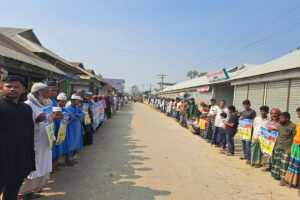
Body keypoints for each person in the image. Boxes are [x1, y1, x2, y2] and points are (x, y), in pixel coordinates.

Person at [0, 76, 35, 200]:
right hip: (2, 160)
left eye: (16, 87)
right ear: (1, 88)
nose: (12, 89)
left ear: (23, 90)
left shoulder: (26, 108)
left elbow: (29, 133)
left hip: (19, 160)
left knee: (12, 193)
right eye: (8, 86)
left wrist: (29, 157)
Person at [19, 83, 54, 198]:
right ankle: (22, 195)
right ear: (36, 93)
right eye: (46, 92)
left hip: (45, 143)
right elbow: (22, 126)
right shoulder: (27, 105)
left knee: (41, 168)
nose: (48, 94)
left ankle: (32, 191)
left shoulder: (44, 104)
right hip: (35, 144)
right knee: (32, 169)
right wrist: (37, 121)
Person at [271, 112, 296, 186]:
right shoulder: (280, 126)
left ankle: (284, 179)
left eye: (281, 118)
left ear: (287, 119)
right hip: (279, 146)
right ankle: (276, 175)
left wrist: (291, 149)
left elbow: (294, 138)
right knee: (277, 161)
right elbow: (278, 136)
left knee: (284, 164)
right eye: (280, 118)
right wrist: (275, 145)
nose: (280, 119)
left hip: (287, 148)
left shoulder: (293, 126)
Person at [65, 94, 85, 164]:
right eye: (77, 101)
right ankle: (68, 159)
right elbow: (71, 118)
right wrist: (77, 116)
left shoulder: (77, 108)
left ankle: (72, 158)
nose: (79, 102)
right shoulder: (68, 108)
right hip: (71, 128)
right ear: (72, 101)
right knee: (70, 143)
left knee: (76, 143)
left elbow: (83, 115)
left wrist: (77, 115)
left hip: (77, 128)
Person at [285, 107, 300, 196]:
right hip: (295, 146)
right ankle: (292, 182)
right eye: (298, 113)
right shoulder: (298, 124)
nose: (299, 115)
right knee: (293, 165)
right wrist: (292, 147)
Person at [262, 108, 281, 172]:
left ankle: (274, 168)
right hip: (269, 141)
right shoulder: (269, 121)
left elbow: (282, 131)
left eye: (275, 113)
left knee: (275, 154)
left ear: (279, 114)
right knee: (267, 154)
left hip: (277, 142)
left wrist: (274, 129)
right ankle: (268, 167)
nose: (273, 115)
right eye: (272, 113)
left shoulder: (281, 122)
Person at [240, 100, 256, 165]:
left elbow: (253, 120)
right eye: (244, 105)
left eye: (246, 105)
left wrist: (253, 129)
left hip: (249, 130)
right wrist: (241, 118)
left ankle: (249, 159)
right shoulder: (243, 112)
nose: (245, 106)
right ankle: (245, 155)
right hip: (243, 130)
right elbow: (241, 119)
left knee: (248, 144)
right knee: (243, 143)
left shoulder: (252, 112)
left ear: (249, 105)